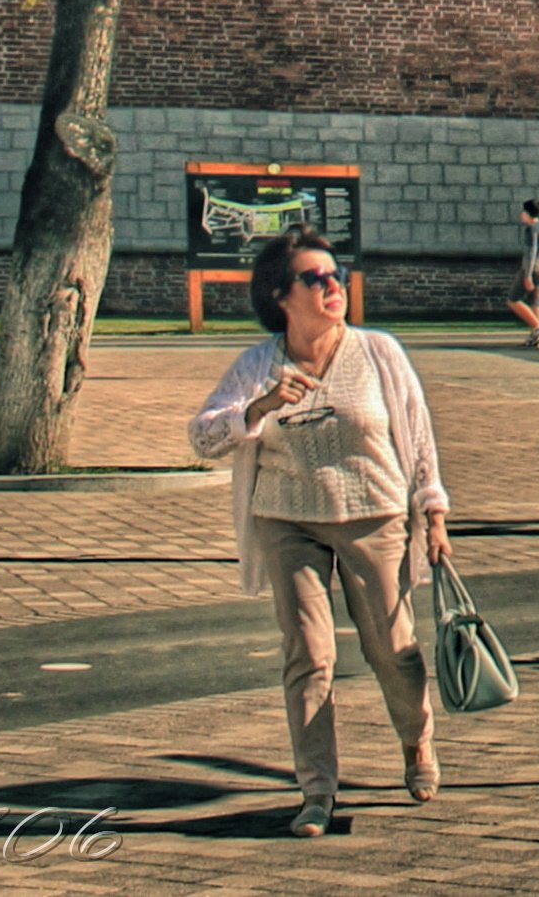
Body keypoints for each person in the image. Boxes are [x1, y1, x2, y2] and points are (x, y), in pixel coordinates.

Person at [188, 229, 447, 837]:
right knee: (309, 654)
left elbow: (419, 434)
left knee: (393, 651)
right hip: (287, 520)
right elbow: (201, 438)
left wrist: (432, 510)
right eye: (317, 279)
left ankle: (417, 742)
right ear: (281, 294)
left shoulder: (378, 352)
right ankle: (316, 792)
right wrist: (255, 410)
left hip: (373, 514)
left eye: (337, 276)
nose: (335, 287)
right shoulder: (257, 365)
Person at [507, 197, 539, 346]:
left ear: (527, 213)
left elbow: (531, 253)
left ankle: (538, 327)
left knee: (513, 300)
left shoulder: (532, 229)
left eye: (523, 212)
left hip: (533, 269)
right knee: (536, 302)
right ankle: (537, 338)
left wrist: (527, 275)